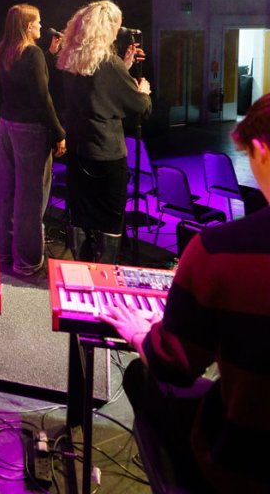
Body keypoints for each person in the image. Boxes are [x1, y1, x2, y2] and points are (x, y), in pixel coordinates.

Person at [100, 92, 270, 493]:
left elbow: (173, 364)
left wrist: (143, 335)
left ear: (261, 151)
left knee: (142, 377)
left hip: (244, 469)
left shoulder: (219, 252)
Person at [56, 0, 151, 262]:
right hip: (106, 154)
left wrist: (124, 67)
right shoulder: (109, 64)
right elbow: (139, 106)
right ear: (106, 28)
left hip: (78, 150)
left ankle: (81, 268)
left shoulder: (71, 59)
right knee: (109, 219)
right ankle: (103, 275)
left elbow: (96, 89)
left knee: (80, 214)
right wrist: (143, 91)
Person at [0, 4, 65, 277]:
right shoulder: (31, 53)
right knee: (31, 197)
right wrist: (58, 132)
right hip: (30, 131)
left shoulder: (6, 51)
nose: (40, 26)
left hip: (6, 126)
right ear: (27, 25)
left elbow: (20, 83)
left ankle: (4, 253)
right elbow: (42, 97)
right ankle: (27, 261)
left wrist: (49, 55)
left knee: (6, 191)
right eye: (37, 22)